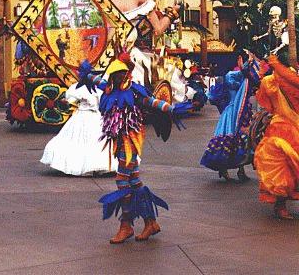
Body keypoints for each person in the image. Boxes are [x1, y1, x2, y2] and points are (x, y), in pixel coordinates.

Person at [78, 53, 192, 244]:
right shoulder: (108, 88)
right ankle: (150, 222)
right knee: (134, 180)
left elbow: (152, 102)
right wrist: (85, 72)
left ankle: (126, 225)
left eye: (119, 74)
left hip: (130, 142)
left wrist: (171, 109)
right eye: (114, 74)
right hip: (119, 140)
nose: (116, 77)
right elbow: (94, 79)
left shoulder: (135, 92)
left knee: (122, 179)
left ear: (126, 74)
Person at [200, 55, 261, 181]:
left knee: (243, 140)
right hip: (233, 112)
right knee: (236, 138)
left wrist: (246, 65)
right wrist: (245, 65)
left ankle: (240, 170)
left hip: (240, 110)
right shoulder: (230, 76)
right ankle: (228, 170)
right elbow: (246, 75)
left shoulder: (234, 75)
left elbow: (250, 77)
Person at [253, 55, 299, 219]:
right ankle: (280, 206)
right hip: (281, 129)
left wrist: (276, 65)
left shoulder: (281, 80)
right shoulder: (272, 81)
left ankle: (281, 206)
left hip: (285, 127)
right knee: (284, 169)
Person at [40, 82, 117, 176]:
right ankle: (97, 165)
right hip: (95, 116)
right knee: (96, 140)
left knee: (79, 140)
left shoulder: (79, 87)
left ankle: (82, 165)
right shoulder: (99, 87)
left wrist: (66, 101)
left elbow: (69, 100)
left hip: (83, 115)